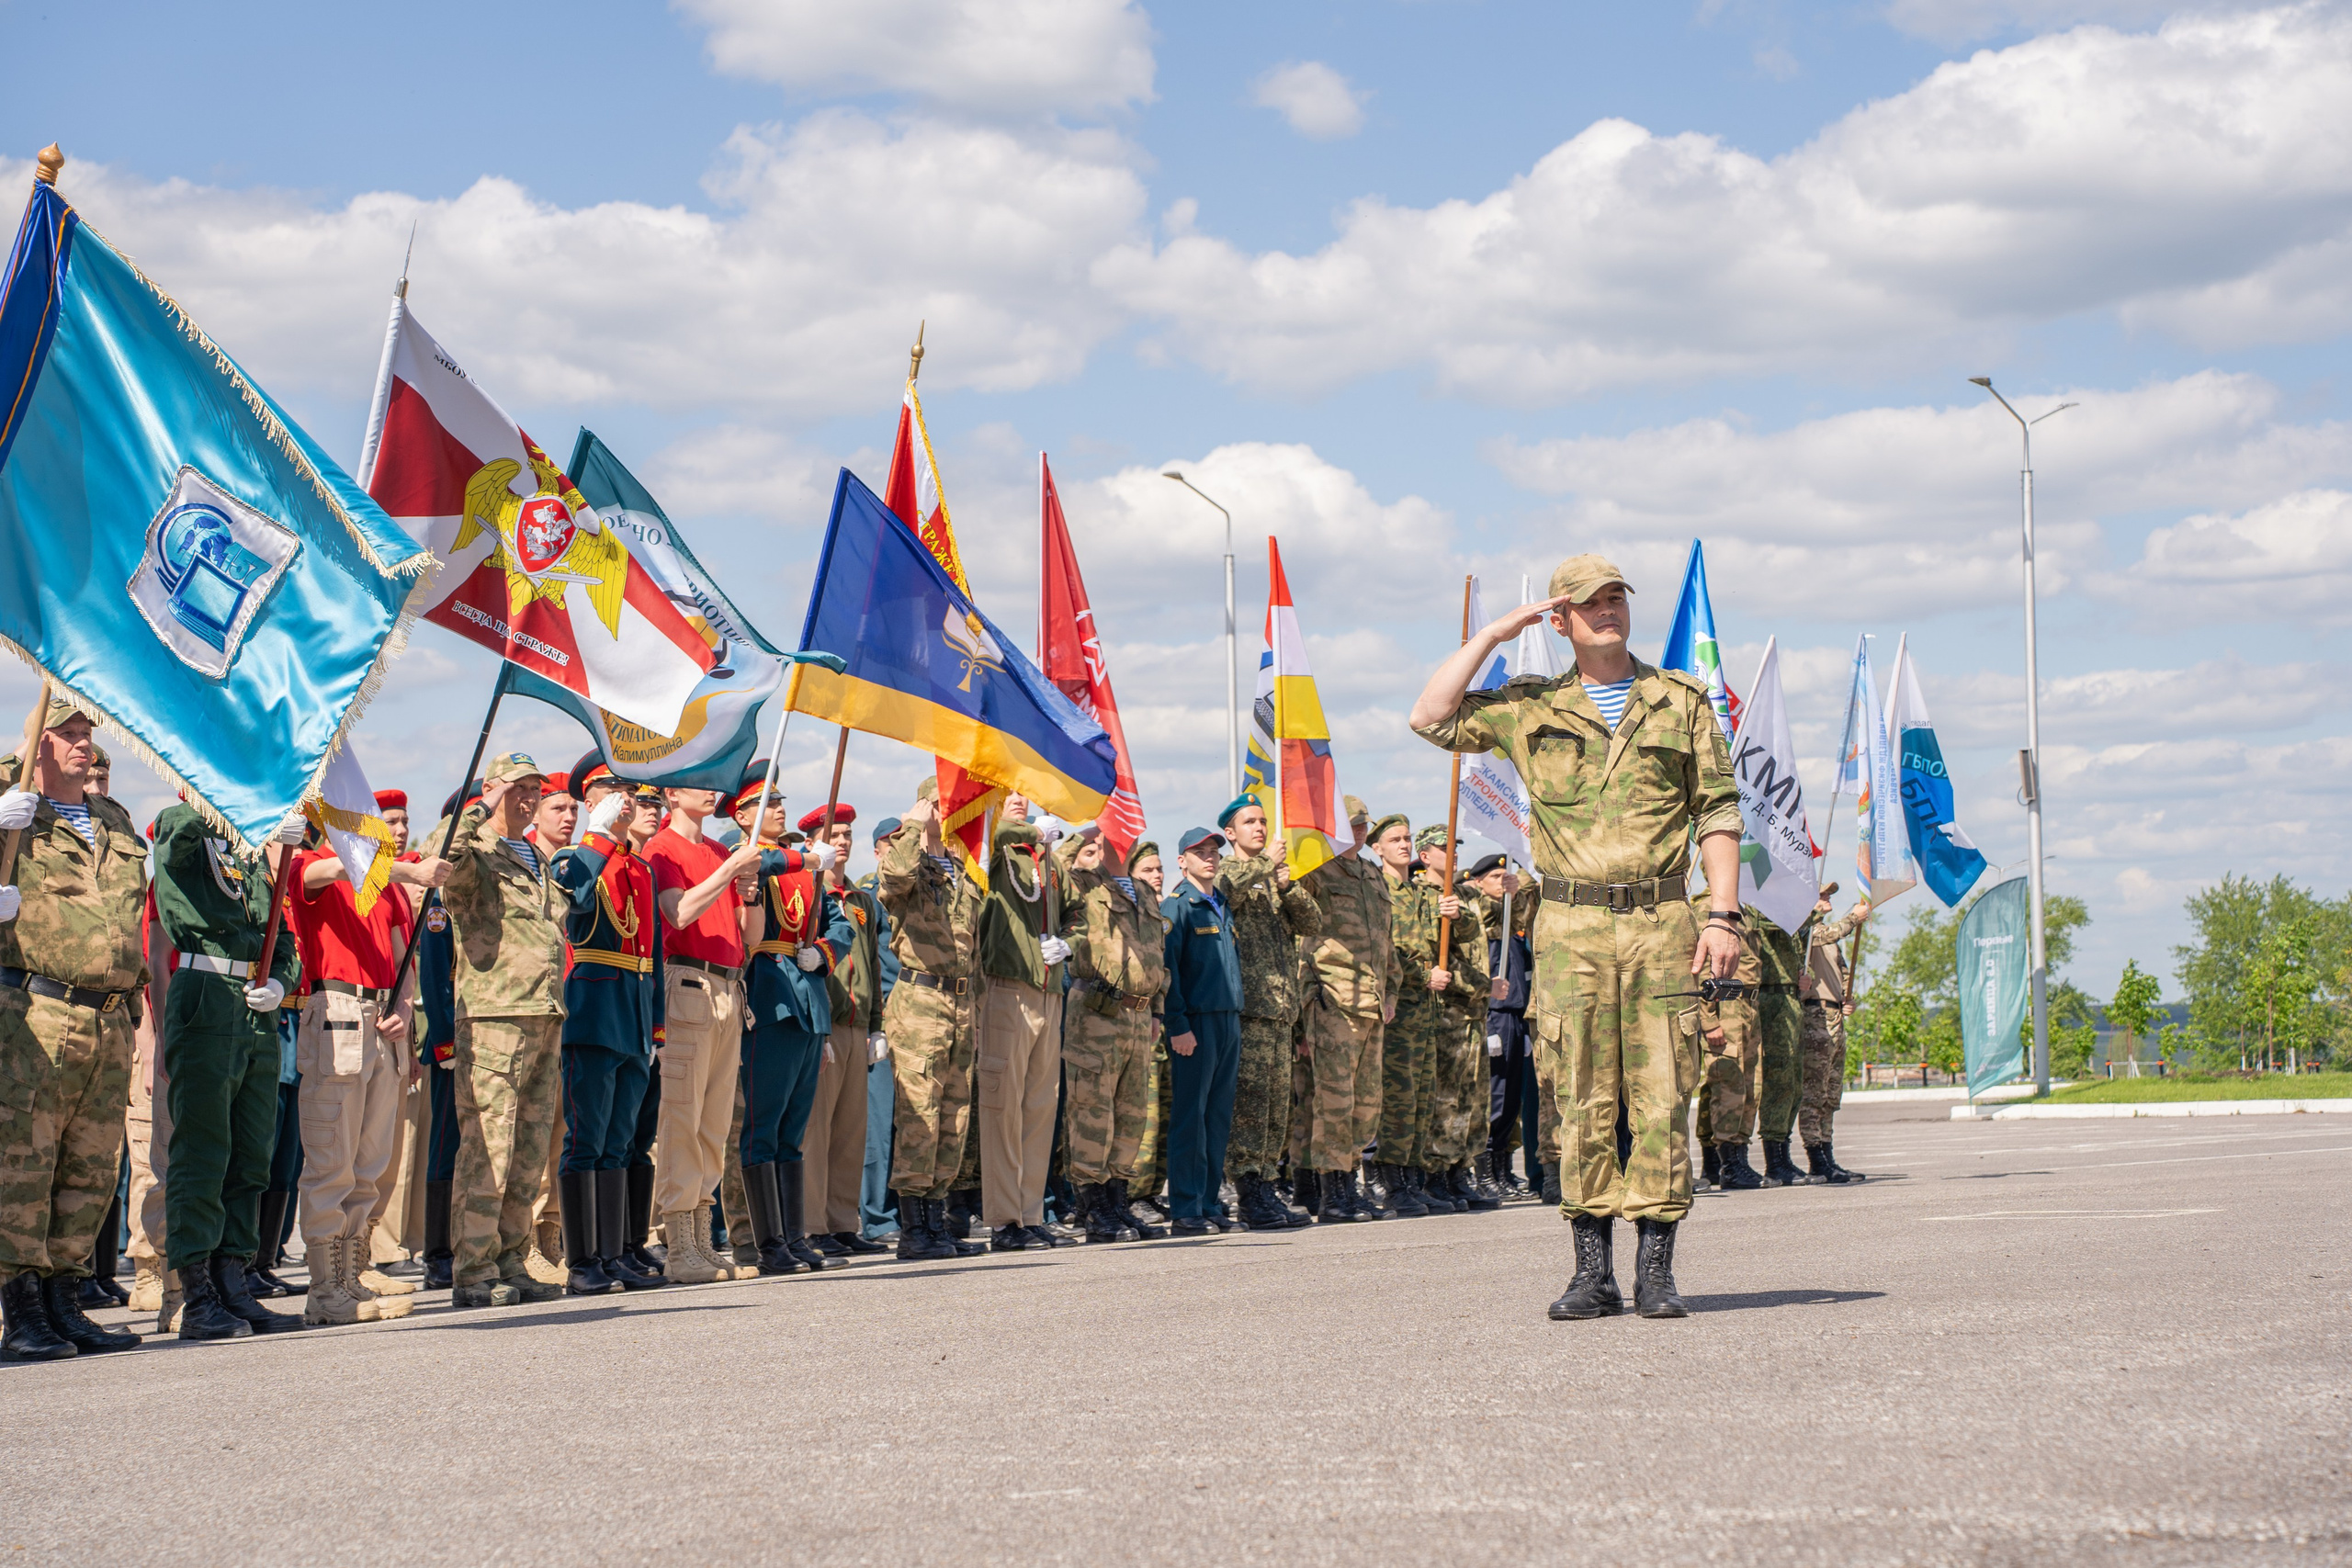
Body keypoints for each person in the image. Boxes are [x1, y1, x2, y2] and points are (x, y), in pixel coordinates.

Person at [1410, 554, 1742, 1320]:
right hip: (1570, 927)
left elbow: (1719, 811)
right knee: (1580, 1097)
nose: (1608, 610)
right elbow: (1429, 718)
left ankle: (1656, 1268)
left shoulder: (1680, 700)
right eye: (1590, 602)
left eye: (1617, 597)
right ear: (1559, 619)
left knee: (1662, 1094)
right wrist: (1497, 632)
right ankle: (1591, 1270)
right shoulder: (1530, 705)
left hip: (1662, 923)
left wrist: (1721, 914)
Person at [0, 699, 150, 1359]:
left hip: (109, 1015)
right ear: (39, 744)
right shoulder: (14, 813)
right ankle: (20, 1303)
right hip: (38, 1009)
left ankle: (66, 1295)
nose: (82, 745)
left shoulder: (111, 820)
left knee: (90, 1166)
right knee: (24, 1164)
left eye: (87, 733)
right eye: (67, 734)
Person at [284, 789, 447, 1324]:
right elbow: (311, 878)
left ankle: (351, 1276)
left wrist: (404, 1007)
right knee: (331, 1158)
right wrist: (403, 869)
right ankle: (325, 1287)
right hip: (337, 1010)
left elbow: (403, 958)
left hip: (381, 1020)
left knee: (369, 1164)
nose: (376, 832)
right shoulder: (316, 863)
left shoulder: (386, 888)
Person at [152, 788, 308, 1338]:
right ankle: (197, 1293)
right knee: (202, 1150)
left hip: (255, 1008)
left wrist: (280, 981)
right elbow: (170, 845)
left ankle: (234, 1280)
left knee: (251, 1152)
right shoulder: (181, 825)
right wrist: (224, 798)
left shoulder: (250, 851)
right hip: (206, 996)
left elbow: (282, 939)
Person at [440, 754, 569, 1310]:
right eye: (517, 787)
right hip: (493, 1015)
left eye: (534, 788)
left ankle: (512, 1258)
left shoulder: (536, 856)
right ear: (492, 789)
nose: (528, 797)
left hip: (542, 1012)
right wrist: (479, 809)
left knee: (529, 1146)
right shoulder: (477, 850)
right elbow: (439, 857)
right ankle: (473, 1269)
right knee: (488, 1144)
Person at [546, 771, 670, 1294]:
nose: (633, 804)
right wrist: (595, 836)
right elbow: (571, 897)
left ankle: (617, 1250)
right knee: (588, 1140)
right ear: (594, 803)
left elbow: (653, 953)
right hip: (593, 1012)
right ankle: (583, 1260)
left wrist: (656, 1027)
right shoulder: (573, 859)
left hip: (634, 1013)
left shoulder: (640, 867)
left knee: (623, 1141)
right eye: (620, 796)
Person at [645, 779, 764, 1284]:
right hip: (688, 981)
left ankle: (701, 1235)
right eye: (698, 785)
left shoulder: (717, 849)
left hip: (729, 986)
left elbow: (750, 940)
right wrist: (728, 871)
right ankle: (678, 1245)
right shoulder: (662, 848)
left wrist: (749, 894)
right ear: (672, 795)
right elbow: (677, 913)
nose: (711, 793)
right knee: (682, 1116)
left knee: (714, 1122)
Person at [735, 767, 853, 1275]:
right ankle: (768, 1243)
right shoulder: (749, 859)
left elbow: (839, 924)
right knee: (763, 1124)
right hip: (768, 994)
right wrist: (803, 856)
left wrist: (824, 953)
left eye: (780, 799)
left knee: (792, 1129)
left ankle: (793, 1234)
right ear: (742, 816)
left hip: (806, 999)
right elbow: (754, 868)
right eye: (766, 802)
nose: (779, 807)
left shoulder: (809, 871)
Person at [876, 780, 987, 1262]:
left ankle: (937, 1220)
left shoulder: (962, 869)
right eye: (947, 805)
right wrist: (913, 824)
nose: (956, 813)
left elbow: (972, 947)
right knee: (919, 1115)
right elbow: (893, 876)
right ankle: (913, 1228)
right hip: (920, 999)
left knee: (954, 1116)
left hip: (961, 1003)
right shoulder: (910, 864)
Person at [971, 795, 1075, 1251]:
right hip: (1008, 987)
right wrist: (1033, 831)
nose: (1018, 799)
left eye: (1022, 792)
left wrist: (1070, 943)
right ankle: (1004, 1217)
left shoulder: (1046, 856)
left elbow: (1079, 912)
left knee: (1038, 1107)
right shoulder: (994, 848)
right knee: (1003, 1107)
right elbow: (986, 834)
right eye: (1008, 791)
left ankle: (1030, 1212)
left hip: (1049, 991)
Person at [1213, 795, 1318, 1231]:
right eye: (1249, 822)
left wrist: (1288, 885)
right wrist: (1264, 866)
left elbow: (1312, 923)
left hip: (1280, 1011)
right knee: (1251, 1108)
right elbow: (1226, 890)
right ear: (1230, 833)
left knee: (1277, 1107)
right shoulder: (1226, 870)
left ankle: (1268, 1183)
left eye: (1262, 821)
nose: (1260, 828)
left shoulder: (1272, 877)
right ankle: (1248, 1190)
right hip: (1249, 1010)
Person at [1060, 834, 1168, 1243]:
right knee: (1092, 1113)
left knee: (1130, 1115)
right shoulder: (1084, 883)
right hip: (1097, 1011)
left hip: (1139, 1017)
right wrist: (1081, 838)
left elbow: (1156, 956)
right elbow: (1056, 873)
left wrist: (1157, 1009)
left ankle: (1118, 1200)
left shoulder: (1143, 891)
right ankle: (1093, 1208)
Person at [1297, 797, 1399, 1223]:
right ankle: (1332, 1191)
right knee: (1334, 1102)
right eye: (1353, 824)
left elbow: (1386, 943)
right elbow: (1300, 937)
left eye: (1363, 826)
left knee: (1366, 1103)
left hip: (1373, 1005)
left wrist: (1390, 992)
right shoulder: (1317, 872)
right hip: (1334, 1003)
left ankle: (1351, 1181)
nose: (1360, 831)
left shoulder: (1372, 875)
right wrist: (1308, 1001)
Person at [803, 803, 886, 1256]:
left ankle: (841, 1222)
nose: (843, 841)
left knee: (851, 1131)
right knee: (817, 1130)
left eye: (848, 834)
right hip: (825, 1020)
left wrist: (877, 1025)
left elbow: (871, 962)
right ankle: (812, 1224)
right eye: (834, 834)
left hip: (857, 1023)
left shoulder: (860, 900)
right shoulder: (809, 890)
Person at [1159, 827, 1243, 1237]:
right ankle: (1186, 1207)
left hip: (1227, 1018)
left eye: (1214, 852)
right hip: (1195, 1023)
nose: (1210, 858)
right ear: (1182, 860)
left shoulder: (1219, 902)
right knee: (1190, 1117)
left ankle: (1209, 1202)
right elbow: (1167, 971)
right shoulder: (1178, 907)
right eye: (1200, 852)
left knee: (1217, 1116)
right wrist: (1177, 1025)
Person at [1411, 825, 1493, 1212]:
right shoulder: (1421, 896)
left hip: (1475, 1009)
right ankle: (1436, 1173)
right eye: (1444, 848)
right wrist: (1476, 984)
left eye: (1456, 847)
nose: (1453, 853)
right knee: (1445, 1098)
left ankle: (1462, 1169)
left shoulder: (1465, 893)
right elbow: (1433, 951)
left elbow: (1485, 923)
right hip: (1449, 1009)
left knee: (1473, 1099)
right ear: (1425, 855)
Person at [1469, 854, 1538, 1196]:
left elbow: (1527, 913)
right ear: (1478, 881)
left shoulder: (1511, 911)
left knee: (1511, 1099)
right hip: (1493, 1012)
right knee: (1493, 1096)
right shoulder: (1480, 910)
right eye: (1495, 877)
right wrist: (1507, 896)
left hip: (1515, 1012)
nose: (1501, 881)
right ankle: (1484, 1173)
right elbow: (1487, 915)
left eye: (1504, 875)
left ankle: (1501, 1168)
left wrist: (1517, 893)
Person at [856, 817, 904, 1246]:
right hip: (886, 1014)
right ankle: (876, 1215)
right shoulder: (868, 896)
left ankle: (908, 1210)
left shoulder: (913, 892)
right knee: (879, 1121)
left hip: (919, 1015)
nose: (898, 849)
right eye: (891, 843)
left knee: (915, 1122)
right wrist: (874, 1023)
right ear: (876, 850)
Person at [1799, 891, 1870, 1183]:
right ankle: (1815, 1157)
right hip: (1815, 1016)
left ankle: (1828, 1156)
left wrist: (1847, 998)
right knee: (1814, 1093)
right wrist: (1854, 917)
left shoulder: (1830, 944)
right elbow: (1827, 933)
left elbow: (1841, 974)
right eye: (1821, 895)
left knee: (1831, 1093)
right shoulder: (1808, 932)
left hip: (1835, 1017)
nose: (1828, 900)